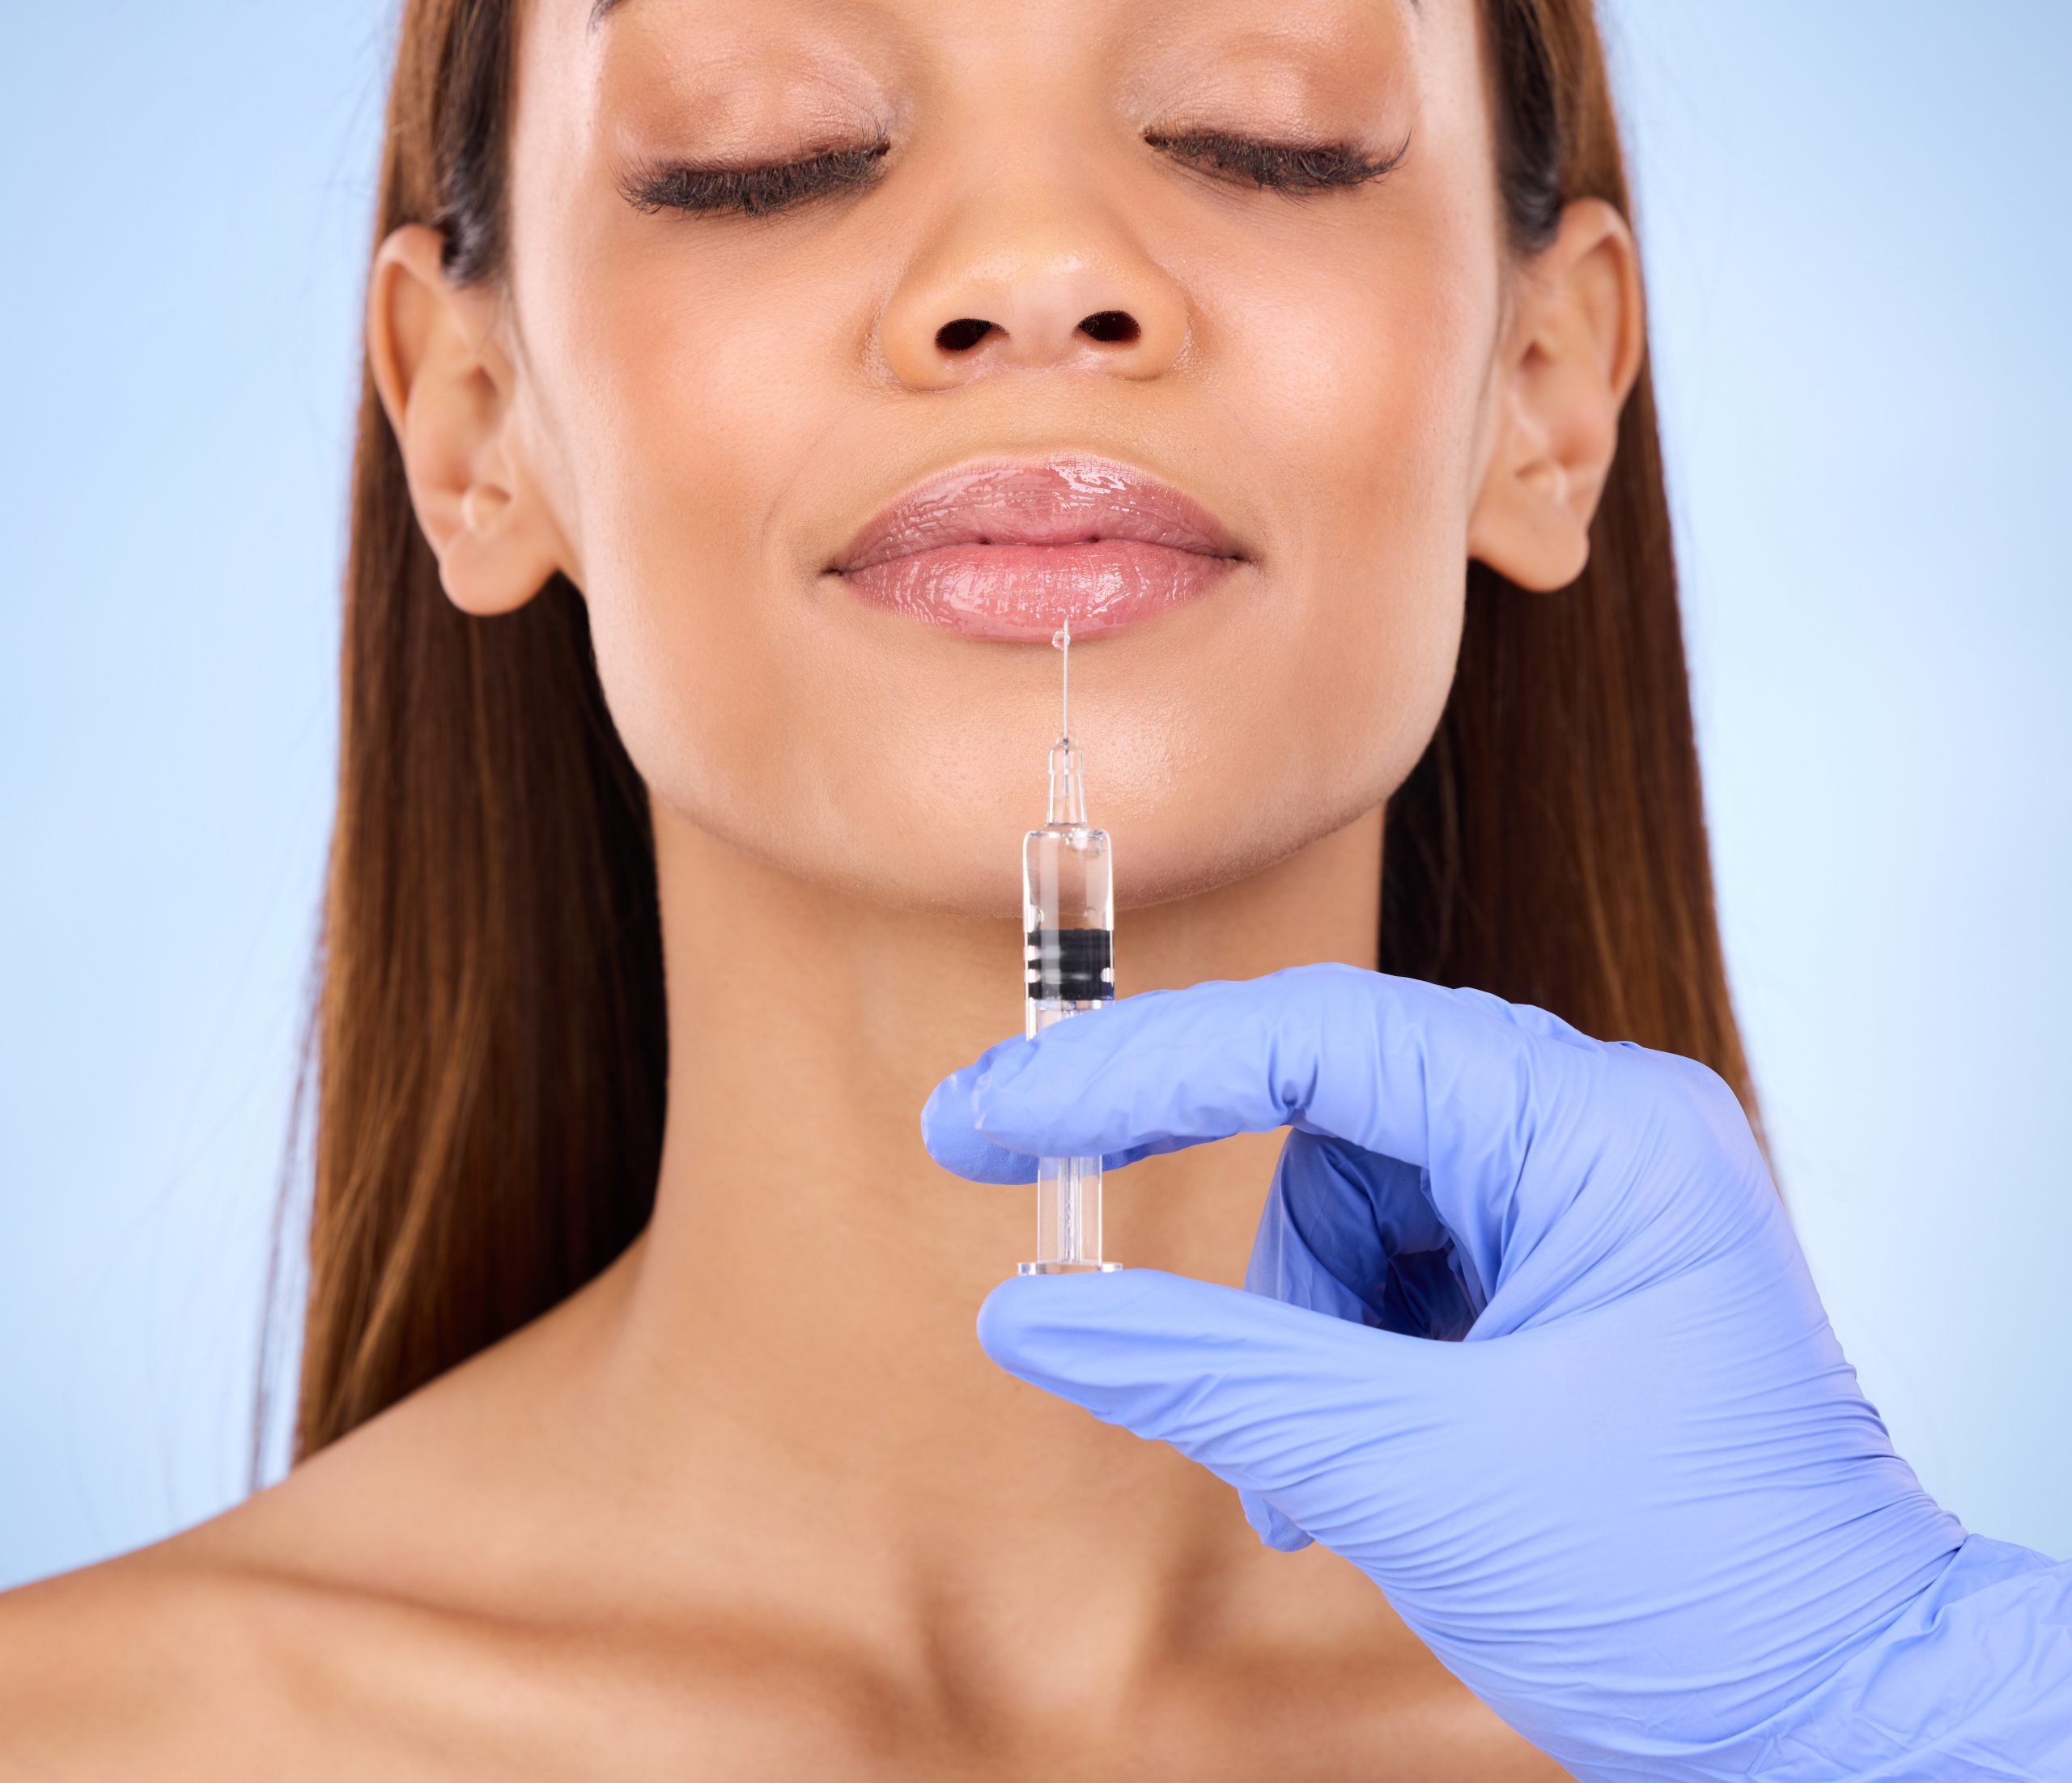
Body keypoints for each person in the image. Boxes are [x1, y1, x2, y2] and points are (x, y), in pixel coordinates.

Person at [2, 0, 2064, 1776]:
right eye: (762, 148)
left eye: (1260, 126)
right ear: (475, 426)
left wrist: (1893, 1698)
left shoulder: (1777, 1699)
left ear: (1541, 390)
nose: (1037, 269)